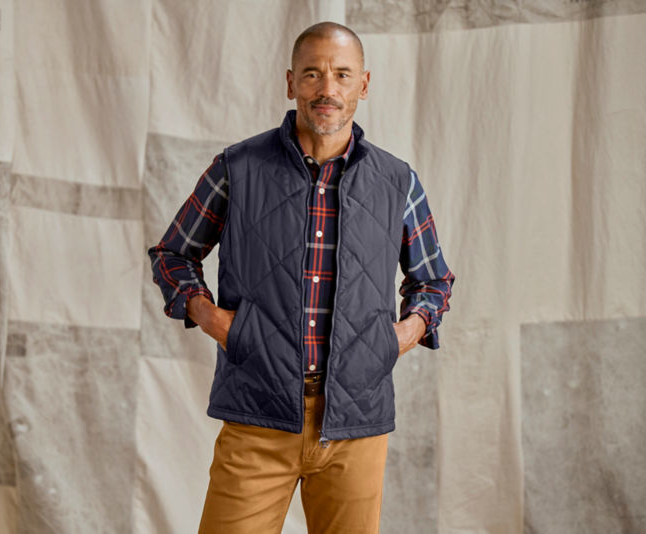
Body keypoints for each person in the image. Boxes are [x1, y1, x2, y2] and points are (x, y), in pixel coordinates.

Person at [147, 21, 455, 534]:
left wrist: (399, 335)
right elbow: (173, 254)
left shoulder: (397, 181)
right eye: (312, 74)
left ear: (364, 83)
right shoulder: (238, 167)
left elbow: (434, 282)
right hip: (257, 417)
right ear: (291, 83)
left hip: (356, 426)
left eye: (341, 74)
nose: (327, 89)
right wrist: (215, 320)